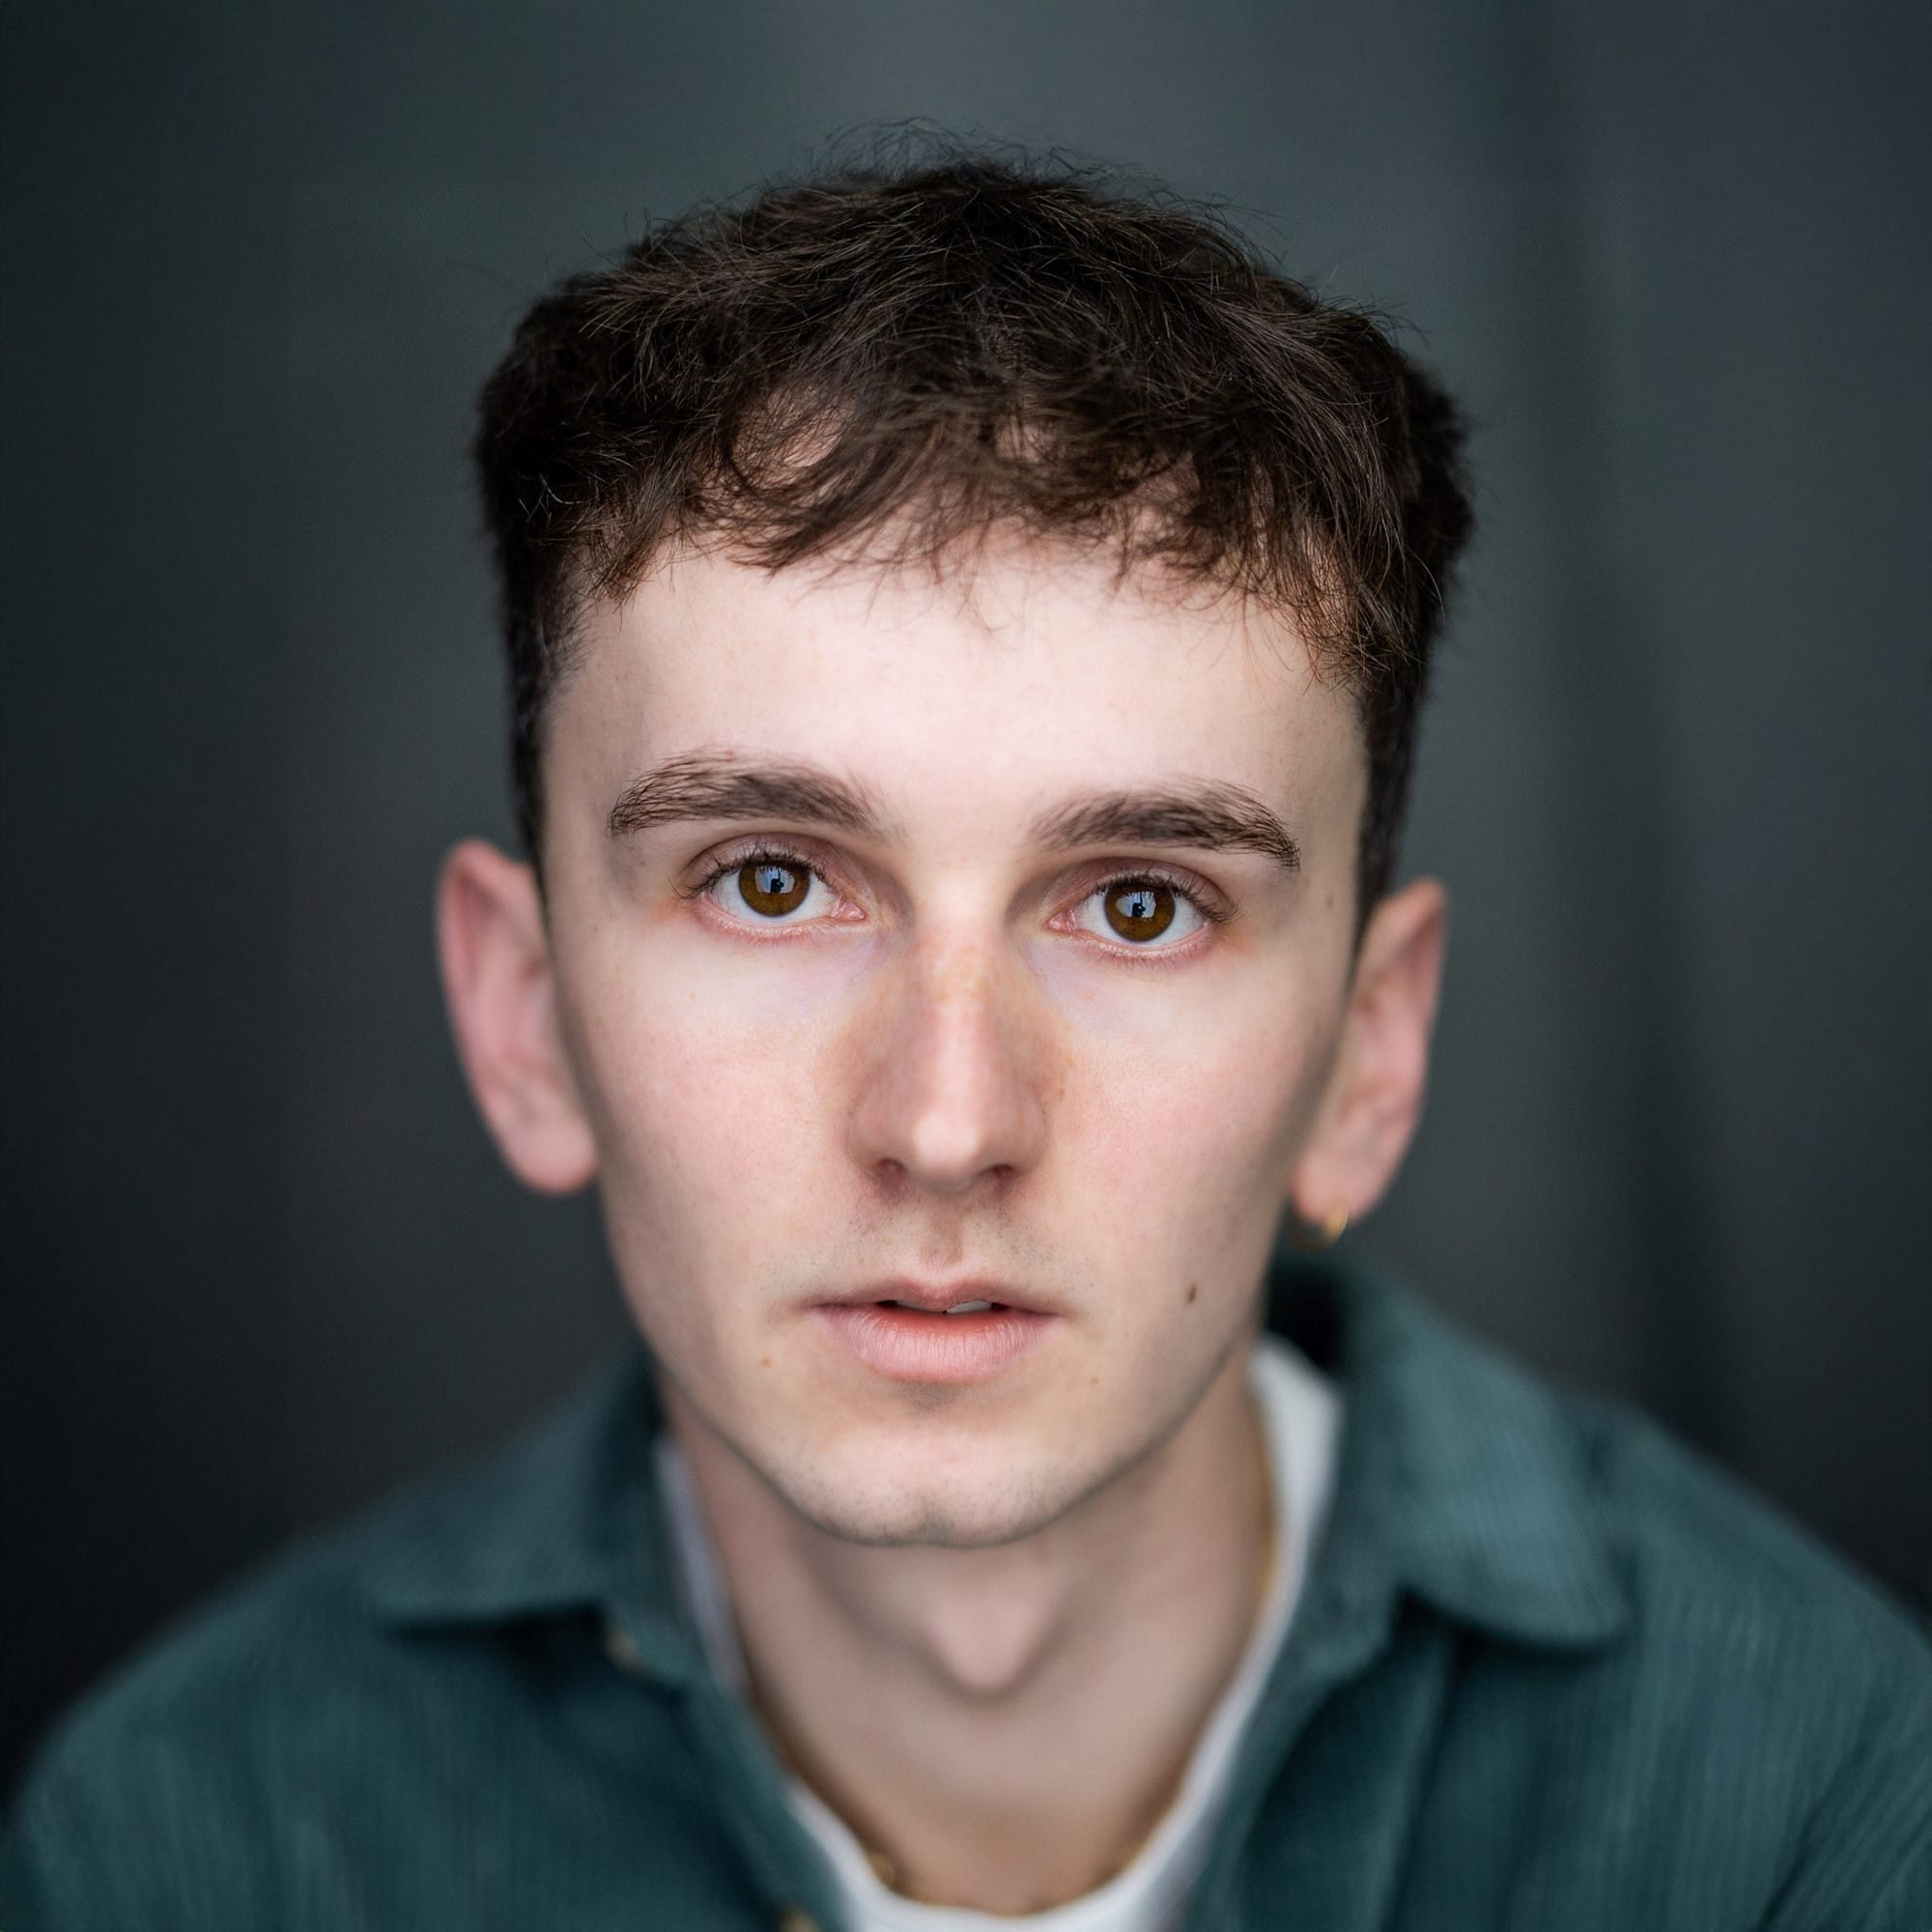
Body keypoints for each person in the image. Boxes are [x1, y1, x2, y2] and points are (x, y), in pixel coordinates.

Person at [3, 149, 1927, 1932]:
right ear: (524, 1017)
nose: (945, 1120)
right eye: (770, 882)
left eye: (1140, 904)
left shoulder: (1806, 1798)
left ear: (1367, 1054)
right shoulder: (194, 1852)